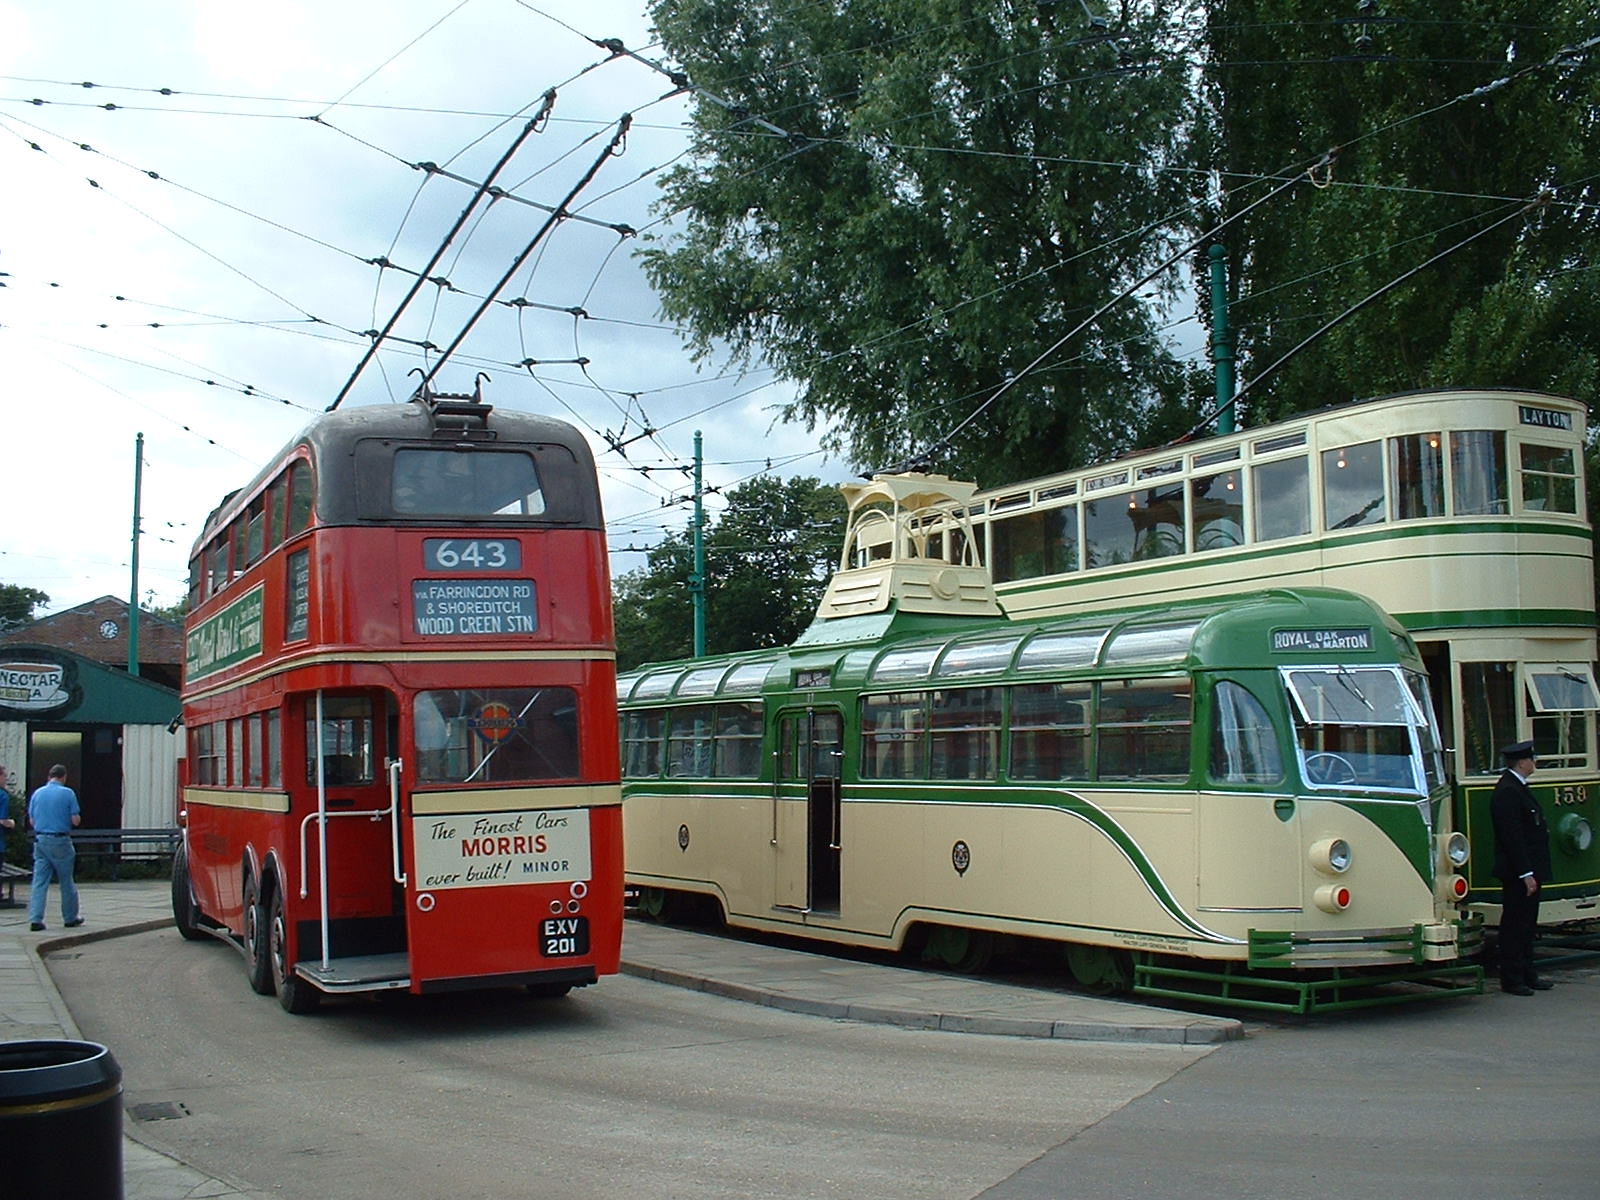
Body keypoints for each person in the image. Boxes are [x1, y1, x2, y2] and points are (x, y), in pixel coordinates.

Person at [1489, 739, 1553, 996]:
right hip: (1519, 872)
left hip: (1530, 869)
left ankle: (1528, 973)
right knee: (1515, 925)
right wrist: (1525, 873)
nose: (1534, 762)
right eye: (1531, 759)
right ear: (1522, 762)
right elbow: (1512, 837)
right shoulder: (1508, 791)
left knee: (1527, 924)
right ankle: (1512, 978)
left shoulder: (1519, 788)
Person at [27, 763, 83, 932]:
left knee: (39, 881)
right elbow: (75, 820)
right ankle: (70, 917)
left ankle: (36, 919)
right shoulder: (68, 793)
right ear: (63, 777)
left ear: (49, 776)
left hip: (41, 840)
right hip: (60, 840)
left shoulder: (37, 793)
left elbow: (32, 821)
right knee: (66, 880)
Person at [0, 765, 16, 872]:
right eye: (4, 776)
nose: (6, 779)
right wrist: (11, 823)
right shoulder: (3, 795)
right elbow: (2, 820)